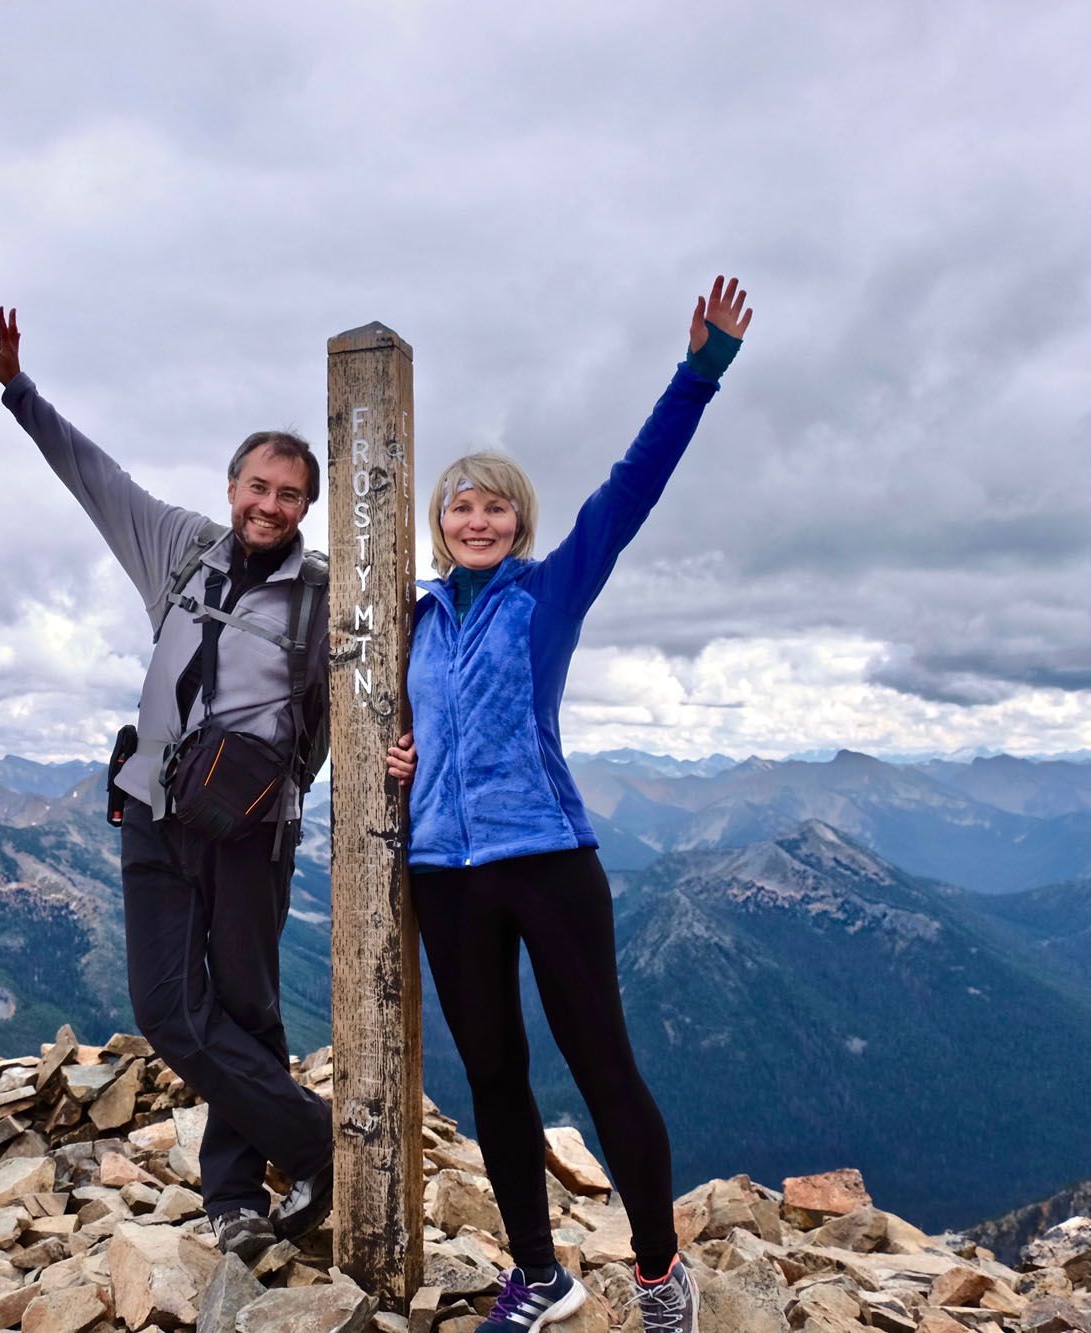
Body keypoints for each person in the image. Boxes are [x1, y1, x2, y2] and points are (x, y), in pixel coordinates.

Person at [385, 277, 753, 1333]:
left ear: (518, 522)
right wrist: (403, 758)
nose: (477, 516)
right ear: (438, 523)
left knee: (601, 1067)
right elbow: (382, 711)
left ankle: (654, 1271)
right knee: (493, 1077)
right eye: (460, 504)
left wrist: (698, 372)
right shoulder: (408, 619)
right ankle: (538, 1275)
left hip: (545, 858)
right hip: (443, 873)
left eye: (495, 503)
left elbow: (630, 489)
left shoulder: (548, 592)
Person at [0, 307, 334, 1261]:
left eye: (292, 494)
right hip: (153, 809)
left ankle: (233, 1198)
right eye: (259, 485)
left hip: (254, 826)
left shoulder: (323, 591)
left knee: (249, 1010)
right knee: (167, 1009)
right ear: (232, 485)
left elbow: (388, 678)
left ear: (308, 505)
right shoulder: (180, 548)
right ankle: (316, 1143)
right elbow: (94, 479)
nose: (271, 504)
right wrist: (21, 393)